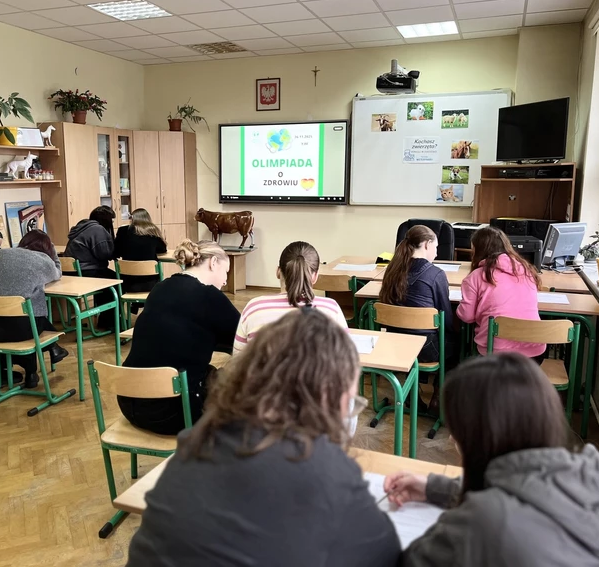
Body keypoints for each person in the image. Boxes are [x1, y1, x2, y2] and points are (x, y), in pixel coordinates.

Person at [127, 310, 401, 566]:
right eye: (350, 403)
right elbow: (386, 552)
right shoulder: (329, 470)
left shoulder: (197, 439)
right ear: (328, 399)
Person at [385, 353, 599, 566]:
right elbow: (533, 492)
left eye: (456, 429)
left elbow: (409, 560)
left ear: (479, 436)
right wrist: (436, 487)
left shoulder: (485, 521)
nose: (452, 439)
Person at [118, 240, 239, 435]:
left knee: (206, 372)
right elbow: (242, 338)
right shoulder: (209, 296)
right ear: (213, 262)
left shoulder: (159, 288)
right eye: (226, 272)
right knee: (238, 381)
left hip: (128, 401)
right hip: (175, 412)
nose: (225, 281)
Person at [0, 230, 68, 388]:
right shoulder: (43, 260)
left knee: (25, 318)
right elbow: (58, 273)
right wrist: (53, 251)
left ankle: (51, 352)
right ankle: (39, 364)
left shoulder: (0, 255)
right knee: (32, 318)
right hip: (23, 329)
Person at [233, 241, 347, 354]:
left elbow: (238, 358)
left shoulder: (254, 308)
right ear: (315, 277)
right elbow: (345, 357)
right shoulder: (332, 309)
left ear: (278, 272)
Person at [457, 226, 545, 359]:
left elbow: (467, 316)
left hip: (495, 351)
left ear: (478, 250)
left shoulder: (476, 277)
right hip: (534, 351)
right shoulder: (527, 271)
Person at [379, 225, 456, 366]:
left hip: (393, 343)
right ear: (427, 244)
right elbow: (445, 317)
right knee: (457, 341)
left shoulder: (392, 269)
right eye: (436, 247)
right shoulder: (435, 274)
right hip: (425, 348)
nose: (436, 253)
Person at [64, 206, 117, 329]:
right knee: (116, 282)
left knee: (106, 278)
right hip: (86, 272)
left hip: (71, 274)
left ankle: (105, 318)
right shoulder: (97, 229)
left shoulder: (81, 227)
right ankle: (109, 322)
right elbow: (104, 254)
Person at [114, 208, 167, 295]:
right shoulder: (152, 231)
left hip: (127, 283)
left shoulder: (122, 231)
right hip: (151, 284)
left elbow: (116, 252)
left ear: (132, 219)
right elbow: (163, 249)